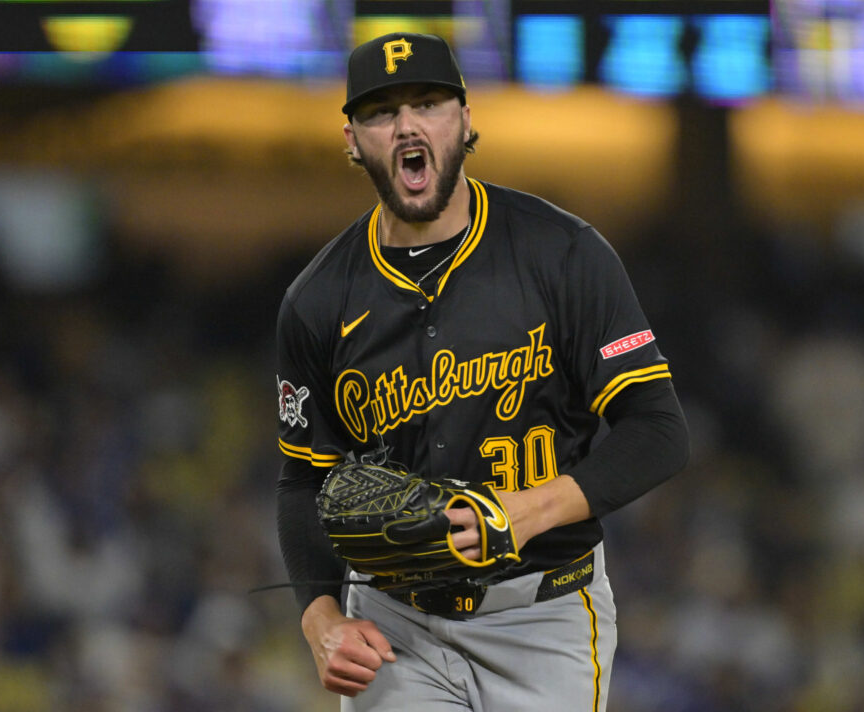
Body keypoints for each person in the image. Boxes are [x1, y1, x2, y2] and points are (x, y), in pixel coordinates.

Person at [275, 31, 690, 711]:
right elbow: (303, 479)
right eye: (381, 112)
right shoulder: (318, 301)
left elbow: (659, 432)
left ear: (466, 121)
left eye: (428, 103)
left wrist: (528, 510)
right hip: (394, 623)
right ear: (352, 140)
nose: (407, 125)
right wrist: (319, 617)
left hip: (544, 616)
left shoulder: (562, 254)